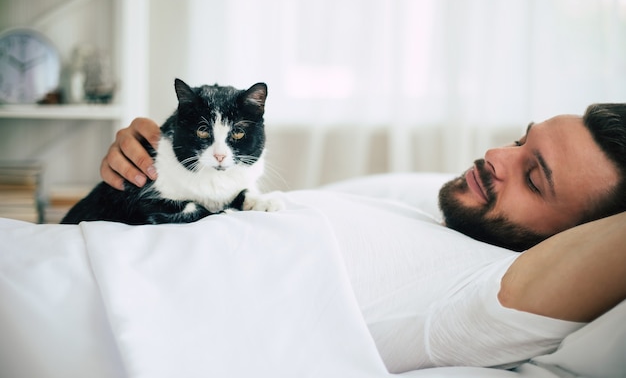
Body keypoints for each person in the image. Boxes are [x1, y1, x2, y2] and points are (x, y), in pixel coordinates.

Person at [100, 104, 626, 366]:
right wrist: (162, 161)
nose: (495, 157)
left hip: (102, 298)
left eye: (534, 178)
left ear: (579, 240)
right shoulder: (420, 216)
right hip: (112, 251)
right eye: (518, 140)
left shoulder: (488, 296)